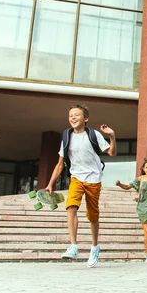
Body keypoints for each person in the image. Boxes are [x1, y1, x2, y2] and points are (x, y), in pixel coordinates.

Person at [45, 104, 116, 268]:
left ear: (86, 118)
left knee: (92, 216)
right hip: (76, 177)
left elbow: (112, 153)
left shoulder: (94, 134)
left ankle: (94, 247)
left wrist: (112, 136)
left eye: (77, 115)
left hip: (93, 179)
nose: (73, 118)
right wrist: (50, 184)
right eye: (71, 115)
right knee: (71, 206)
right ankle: (74, 246)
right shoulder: (66, 136)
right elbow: (60, 164)